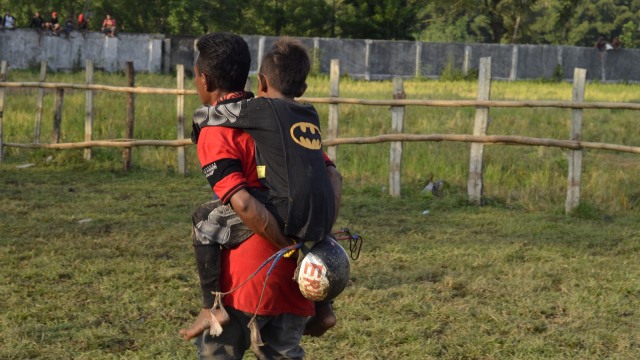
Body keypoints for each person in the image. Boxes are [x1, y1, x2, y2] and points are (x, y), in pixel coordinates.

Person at [180, 32, 341, 359]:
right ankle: (325, 306)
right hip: (298, 286)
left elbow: (242, 204)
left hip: (246, 285)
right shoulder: (286, 119)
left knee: (204, 220)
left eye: (194, 76)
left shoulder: (218, 130)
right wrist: (309, 245)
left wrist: (286, 246)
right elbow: (330, 175)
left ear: (205, 79)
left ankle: (210, 307)